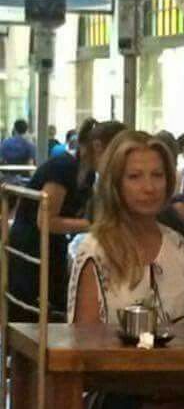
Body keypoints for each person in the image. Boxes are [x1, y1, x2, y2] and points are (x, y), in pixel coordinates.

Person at [67, 130, 184, 409]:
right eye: (135, 176)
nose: (148, 187)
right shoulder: (95, 250)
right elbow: (87, 346)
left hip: (174, 387)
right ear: (116, 184)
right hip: (111, 395)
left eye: (157, 175)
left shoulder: (182, 249)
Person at [7, 119, 125, 320]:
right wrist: (94, 226)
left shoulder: (86, 174)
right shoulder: (64, 167)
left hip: (51, 247)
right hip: (32, 250)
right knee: (33, 318)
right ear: (98, 147)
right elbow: (46, 221)